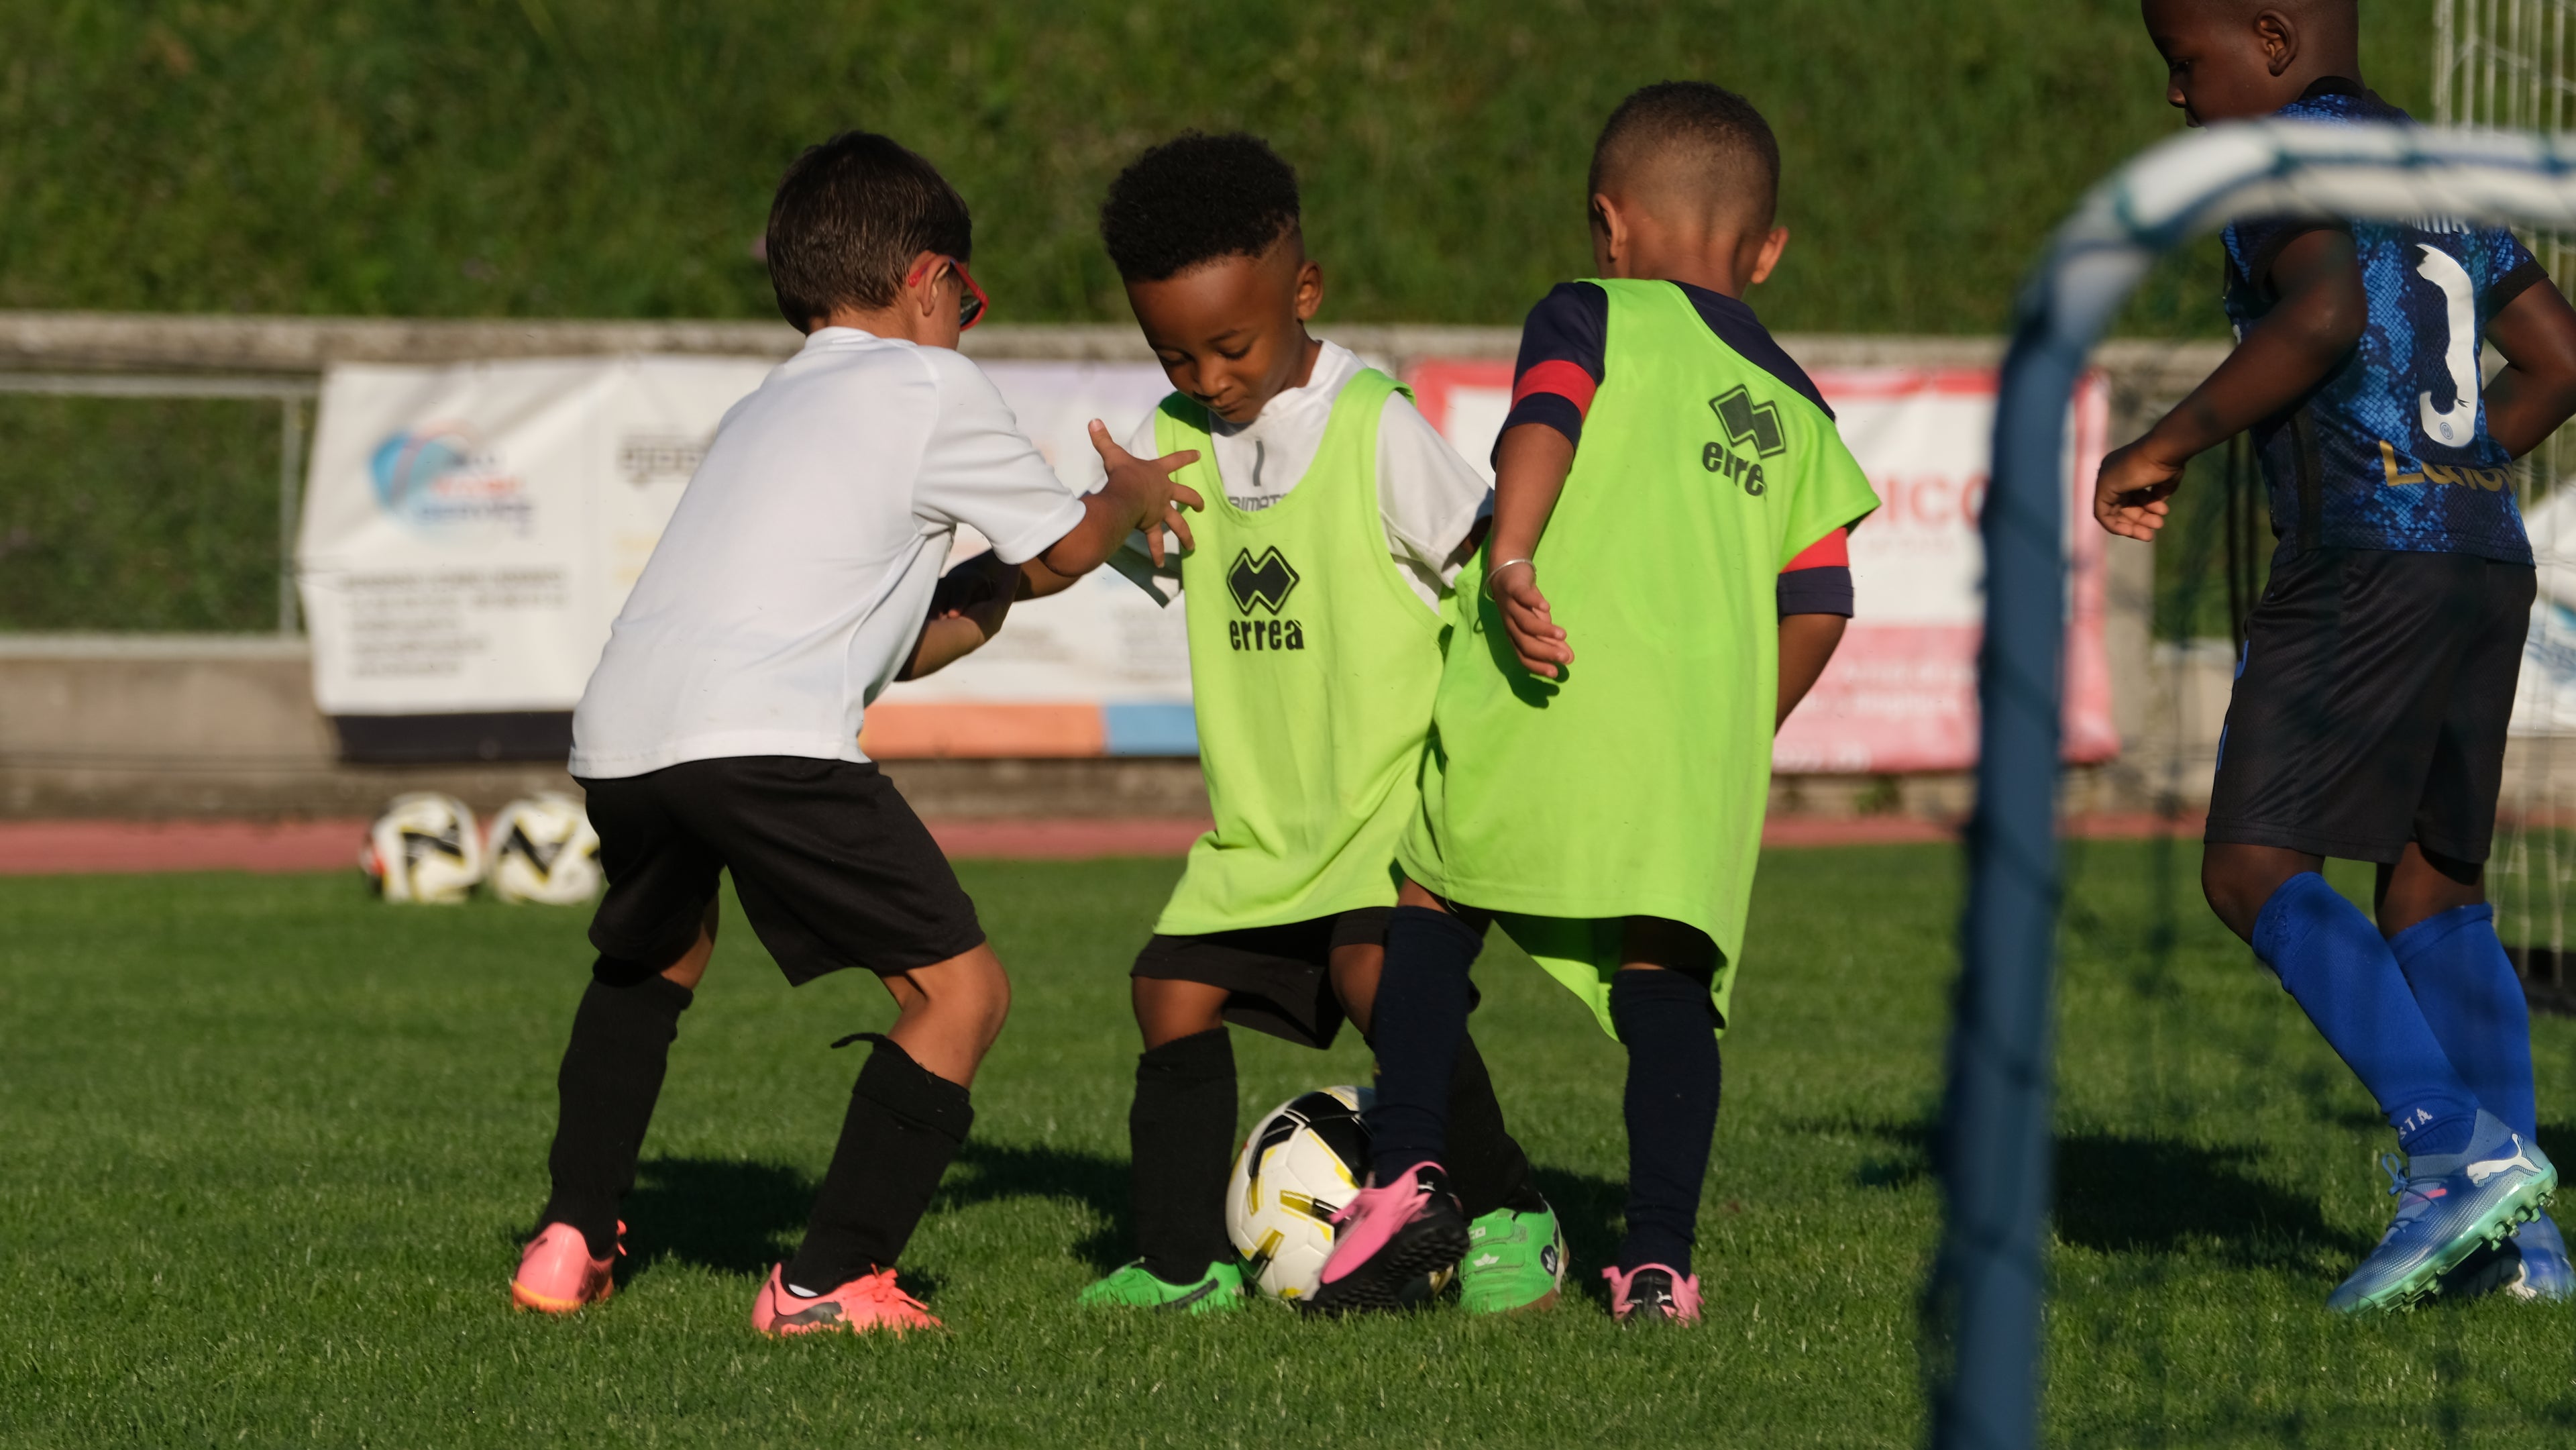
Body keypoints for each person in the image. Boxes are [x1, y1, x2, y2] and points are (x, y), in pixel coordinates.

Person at [506, 130, 1199, 1337]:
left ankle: (570, 1236)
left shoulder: (760, 408)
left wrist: (1003, 590)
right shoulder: (928, 383)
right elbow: (1064, 543)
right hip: (761, 738)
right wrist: (1130, 498)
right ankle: (828, 1281)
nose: (967, 325)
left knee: (650, 962)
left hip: (624, 734)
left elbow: (913, 632)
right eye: (968, 302)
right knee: (961, 993)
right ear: (930, 280)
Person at [1311, 83, 1877, 1324]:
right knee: (1664, 985)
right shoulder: (1799, 407)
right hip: (1687, 764)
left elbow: (1543, 423)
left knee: (1431, 906)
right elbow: (1824, 598)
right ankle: (1661, 1260)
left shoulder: (1589, 311)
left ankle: (1408, 1170)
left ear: (1607, 226)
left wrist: (1512, 560)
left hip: (1540, 685)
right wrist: (1735, 734)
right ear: (1767, 251)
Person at [2100, 0, 2576, 1313]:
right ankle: (2529, 1253)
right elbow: (2561, 354)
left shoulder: (2275, 163)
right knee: (2435, 891)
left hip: (2362, 554)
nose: (2179, 101)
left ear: (2267, 37)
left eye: (2183, 65)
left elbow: (2314, 318)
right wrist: (2464, 472)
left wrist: (2166, 444)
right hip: (2483, 555)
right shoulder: (2423, 163)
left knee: (2253, 864)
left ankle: (2453, 1150)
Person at [1065, 132, 1565, 1316]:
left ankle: (1510, 1211)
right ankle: (1184, 1268)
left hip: (1388, 810)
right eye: (1173, 352)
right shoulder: (1173, 438)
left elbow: (1485, 563)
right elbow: (1137, 558)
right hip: (1266, 827)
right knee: (1165, 991)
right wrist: (1111, 512)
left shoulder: (1375, 424)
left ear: (1304, 291)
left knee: (1378, 975)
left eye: (1231, 345)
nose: (1209, 375)